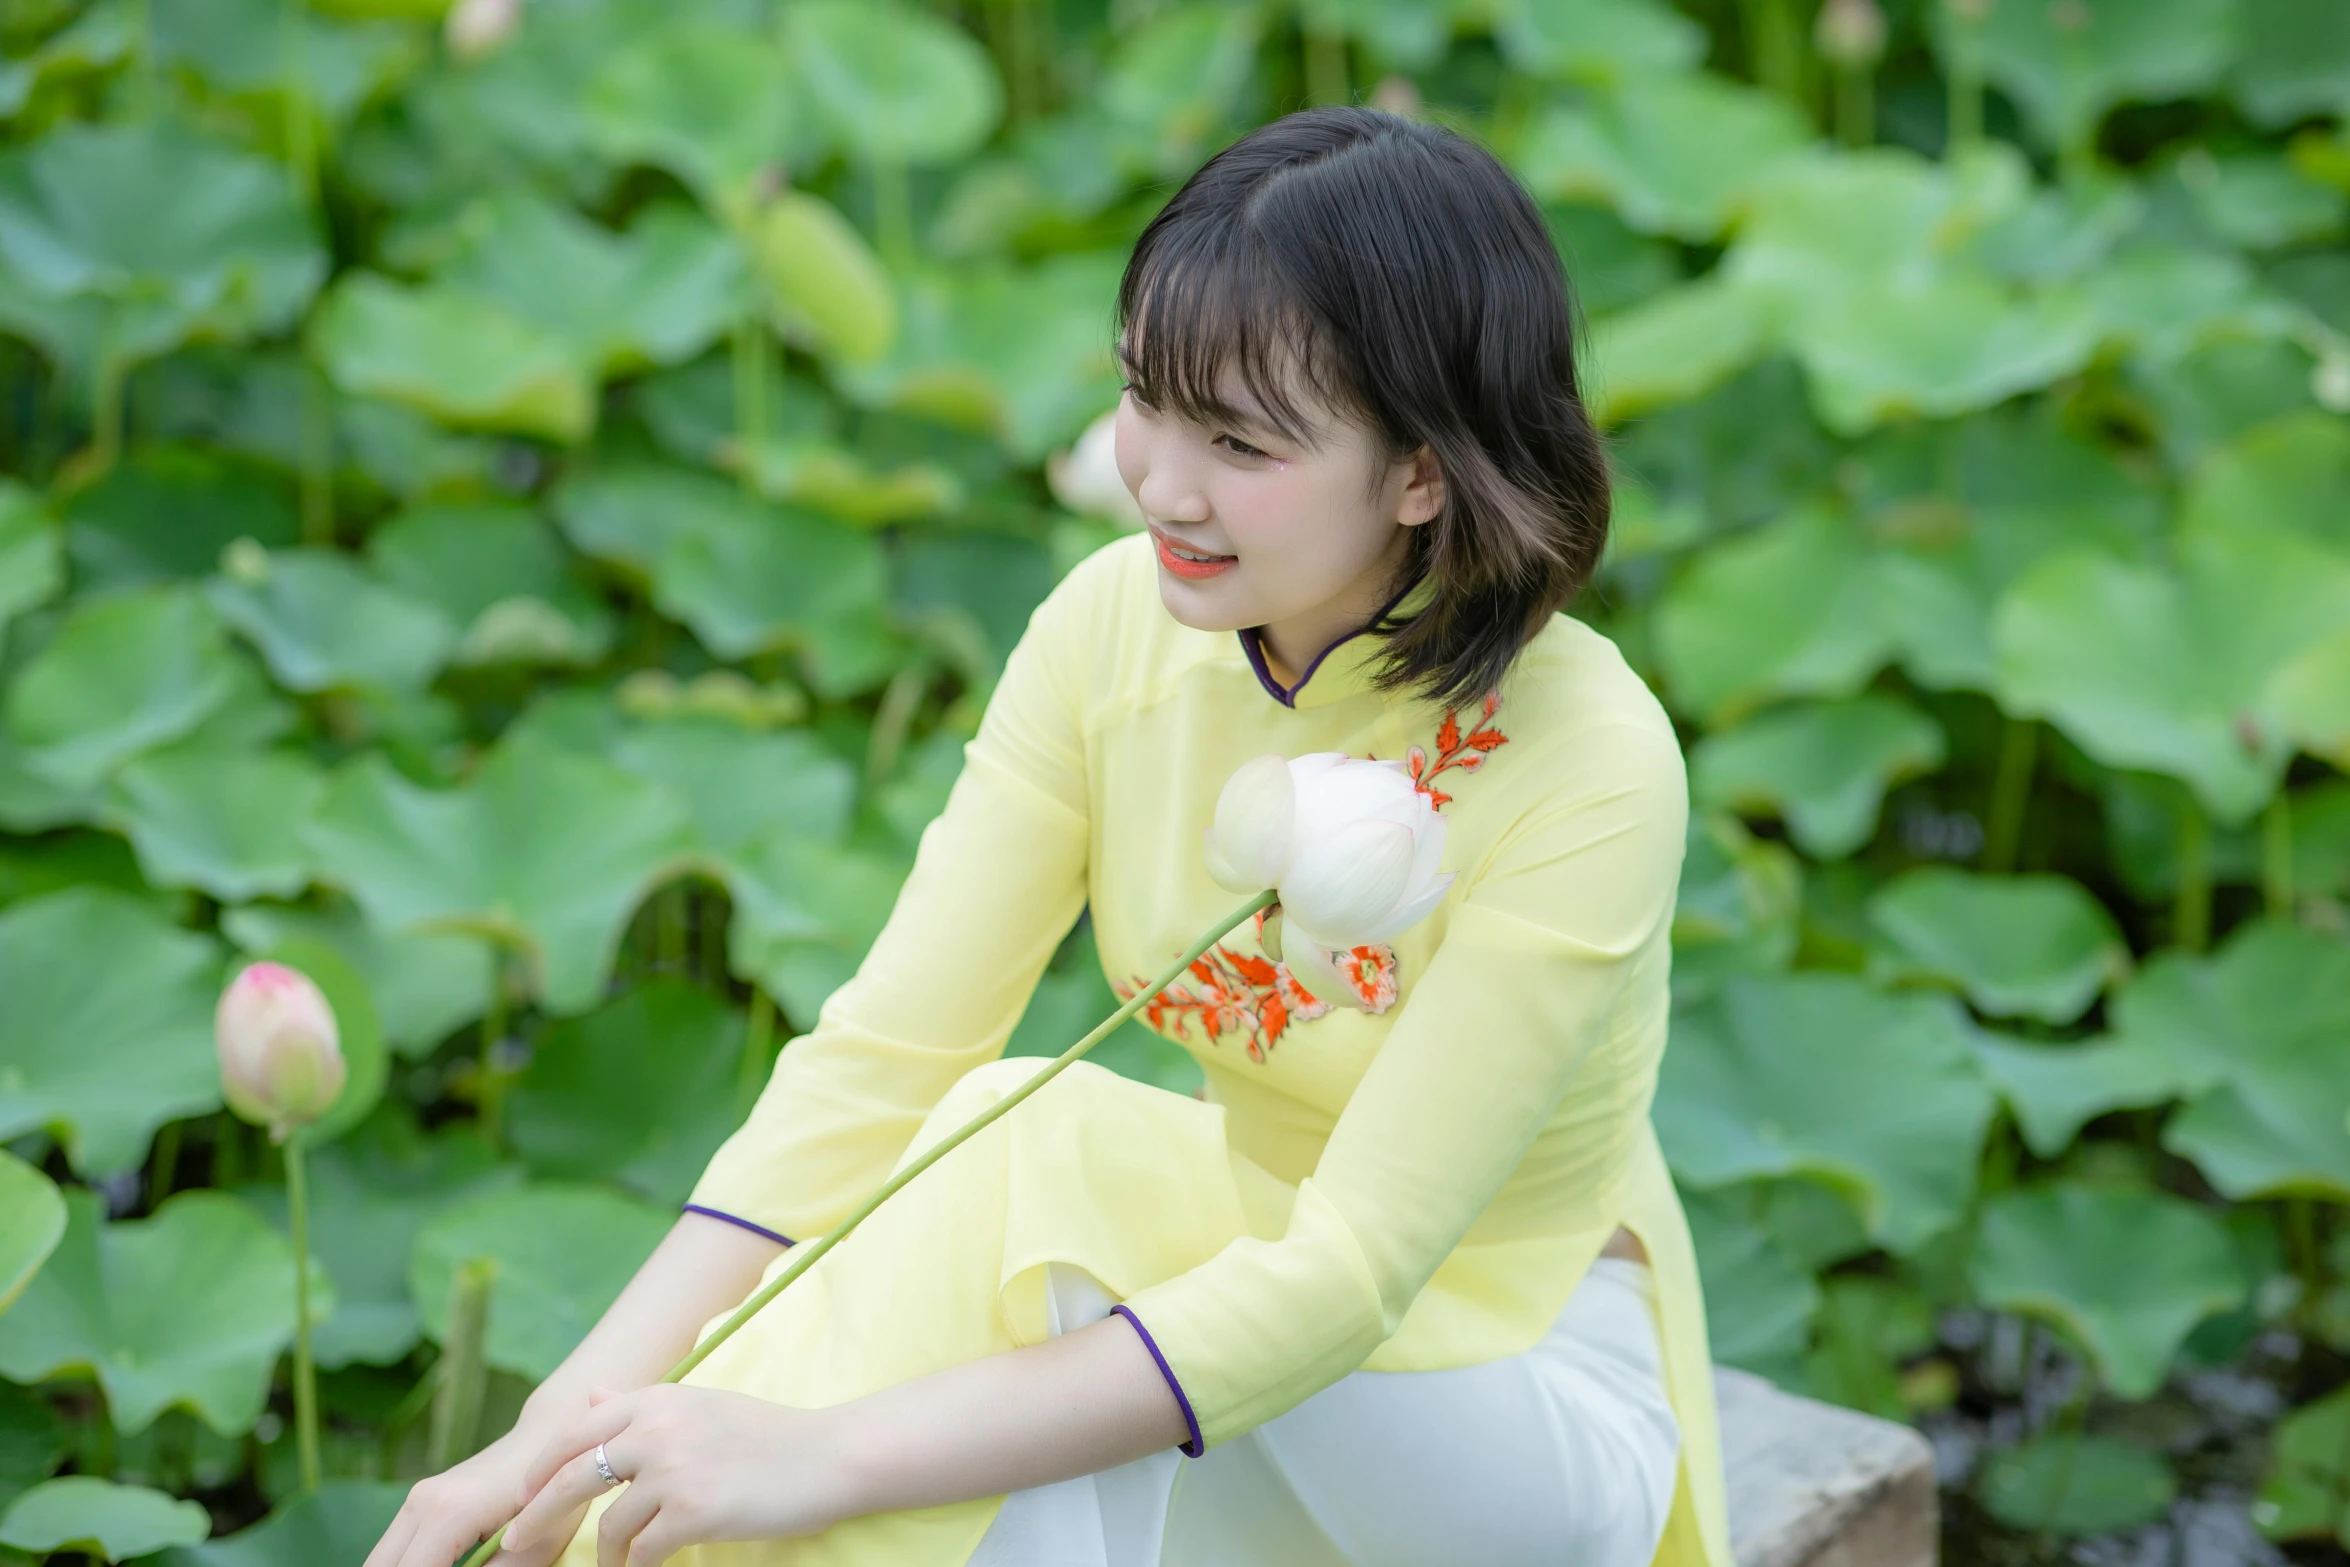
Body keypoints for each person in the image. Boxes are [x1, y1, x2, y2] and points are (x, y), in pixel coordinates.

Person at [366, 105, 1727, 1567]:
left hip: (1502, 1394)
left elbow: (1347, 1271)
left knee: (1026, 1154)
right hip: (1201, 1329)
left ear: (1419, 471)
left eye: (1240, 441)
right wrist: (560, 1427)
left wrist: (819, 1455)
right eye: (1147, 398)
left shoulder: (1587, 762)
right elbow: (882, 1058)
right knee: (956, 1288)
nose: (1159, 482)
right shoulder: (1107, 629)